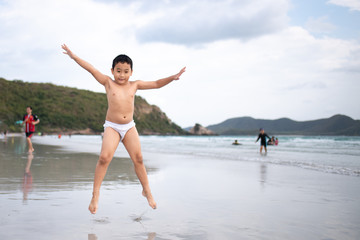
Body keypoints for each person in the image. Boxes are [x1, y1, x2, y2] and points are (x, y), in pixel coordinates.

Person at [62, 44, 186, 214]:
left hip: (129, 127)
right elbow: (90, 69)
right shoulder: (107, 82)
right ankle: (95, 194)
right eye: (118, 70)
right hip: (112, 126)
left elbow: (156, 84)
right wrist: (73, 56)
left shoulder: (135, 85)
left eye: (126, 71)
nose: (122, 75)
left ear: (131, 72)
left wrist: (173, 77)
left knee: (139, 159)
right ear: (112, 70)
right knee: (104, 158)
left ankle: (147, 191)